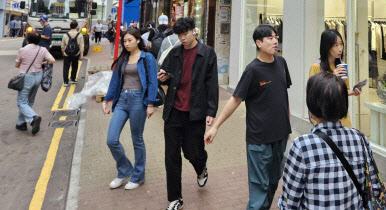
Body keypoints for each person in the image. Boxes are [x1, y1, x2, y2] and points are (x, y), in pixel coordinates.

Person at [205, 25, 291, 210]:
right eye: (270, 38)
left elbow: (283, 95)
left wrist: (287, 124)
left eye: (276, 37)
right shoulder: (252, 70)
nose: (275, 41)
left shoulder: (281, 63)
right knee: (259, 188)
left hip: (281, 136)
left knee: (273, 181)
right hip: (259, 139)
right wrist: (215, 126)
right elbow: (235, 99)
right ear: (258, 43)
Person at [279, 72, 382, 209]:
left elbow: (289, 203)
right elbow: (373, 187)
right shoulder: (360, 139)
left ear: (311, 106)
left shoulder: (301, 147)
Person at [157, 17, 218, 210]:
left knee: (193, 152)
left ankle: (201, 167)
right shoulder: (174, 53)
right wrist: (163, 78)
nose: (182, 38)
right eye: (179, 35)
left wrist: (211, 110)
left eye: (185, 34)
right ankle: (175, 198)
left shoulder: (207, 53)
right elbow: (166, 75)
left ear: (194, 31)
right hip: (173, 111)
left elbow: (212, 84)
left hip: (195, 112)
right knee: (171, 156)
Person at [102, 28, 159, 190]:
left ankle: (138, 176)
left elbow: (152, 82)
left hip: (138, 100)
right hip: (122, 100)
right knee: (111, 139)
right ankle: (125, 169)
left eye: (130, 40)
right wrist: (107, 99)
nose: (126, 44)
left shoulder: (147, 58)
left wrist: (150, 104)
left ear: (138, 40)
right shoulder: (123, 58)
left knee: (137, 139)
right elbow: (115, 80)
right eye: (124, 41)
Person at [309, 29, 362, 127]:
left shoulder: (341, 65)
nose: (340, 49)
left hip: (342, 117)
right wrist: (332, 77)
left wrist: (353, 91)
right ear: (327, 47)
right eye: (336, 45)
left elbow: (344, 90)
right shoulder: (316, 67)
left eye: (341, 44)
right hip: (324, 119)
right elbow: (314, 95)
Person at [14, 31, 55, 135]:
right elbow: (52, 60)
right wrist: (43, 62)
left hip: (27, 77)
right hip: (38, 77)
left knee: (21, 102)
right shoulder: (43, 49)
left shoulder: (23, 50)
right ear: (39, 40)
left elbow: (17, 65)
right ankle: (21, 123)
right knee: (29, 101)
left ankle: (33, 118)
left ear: (27, 40)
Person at [61, 20, 84, 86]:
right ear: (76, 27)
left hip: (67, 53)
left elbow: (62, 45)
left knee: (66, 67)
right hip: (76, 53)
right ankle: (73, 79)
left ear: (70, 26)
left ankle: (65, 82)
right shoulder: (80, 35)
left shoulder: (65, 35)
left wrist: (63, 52)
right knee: (75, 66)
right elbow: (81, 46)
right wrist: (81, 55)